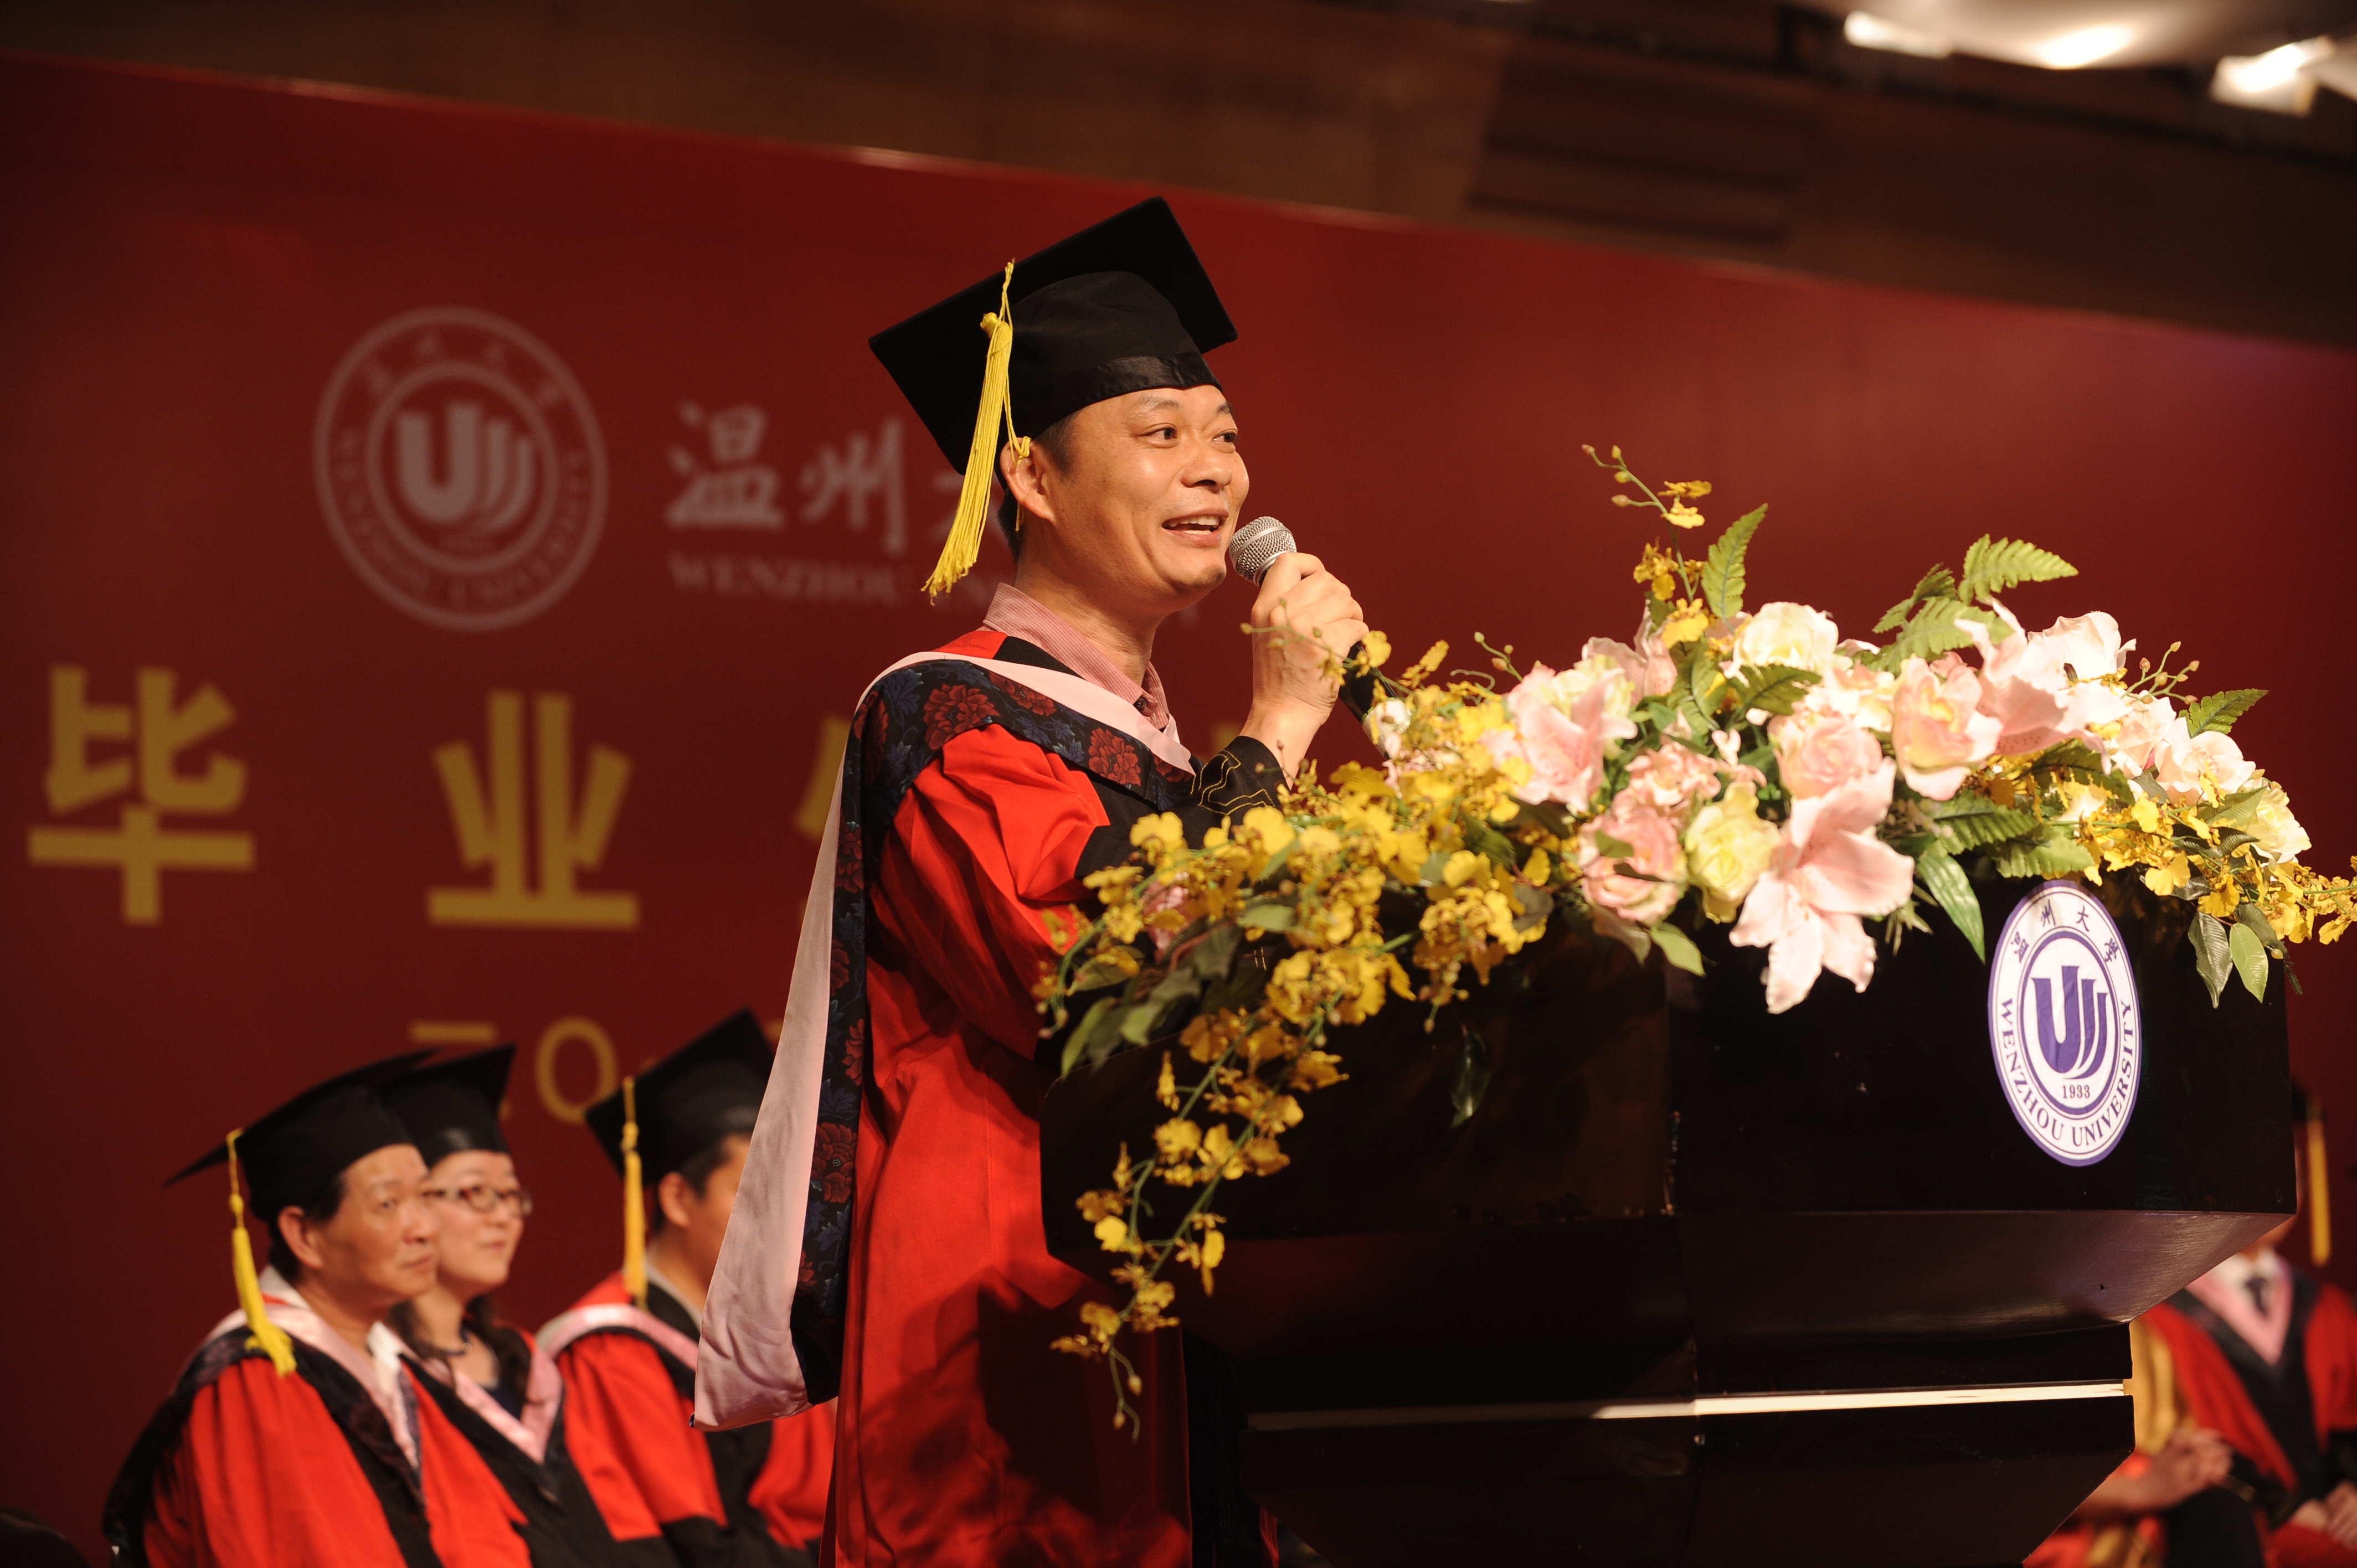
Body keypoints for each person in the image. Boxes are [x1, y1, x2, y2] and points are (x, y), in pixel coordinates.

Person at [694, 197, 1366, 1564]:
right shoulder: (947, 716)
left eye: (1224, 433)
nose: (1215, 471)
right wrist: (1280, 729)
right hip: (1009, 1348)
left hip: (1166, 1316)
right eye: (1160, 433)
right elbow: (1099, 974)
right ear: (1033, 479)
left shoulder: (1168, 755)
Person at [105, 1053, 531, 1568]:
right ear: (304, 1234)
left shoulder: (392, 1367)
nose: (424, 1228)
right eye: (389, 1205)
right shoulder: (257, 1381)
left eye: (425, 1196)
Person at [542, 1012, 833, 1566]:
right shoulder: (612, 1349)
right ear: (677, 1199)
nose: (781, 1217)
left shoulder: (781, 1337)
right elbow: (692, 1547)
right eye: (750, 1191)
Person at [2031, 1087, 2357, 1568]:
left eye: (2294, 1177)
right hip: (2235, 1517)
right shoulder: (2153, 1305)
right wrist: (2288, 1510)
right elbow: (2169, 1436)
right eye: (2263, 1175)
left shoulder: (2328, 1308)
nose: (2283, 1193)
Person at [382, 1046, 632, 1567]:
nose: (503, 1217)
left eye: (512, 1195)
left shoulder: (524, 1360)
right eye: (476, 1193)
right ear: (415, 1206)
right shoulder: (385, 1373)